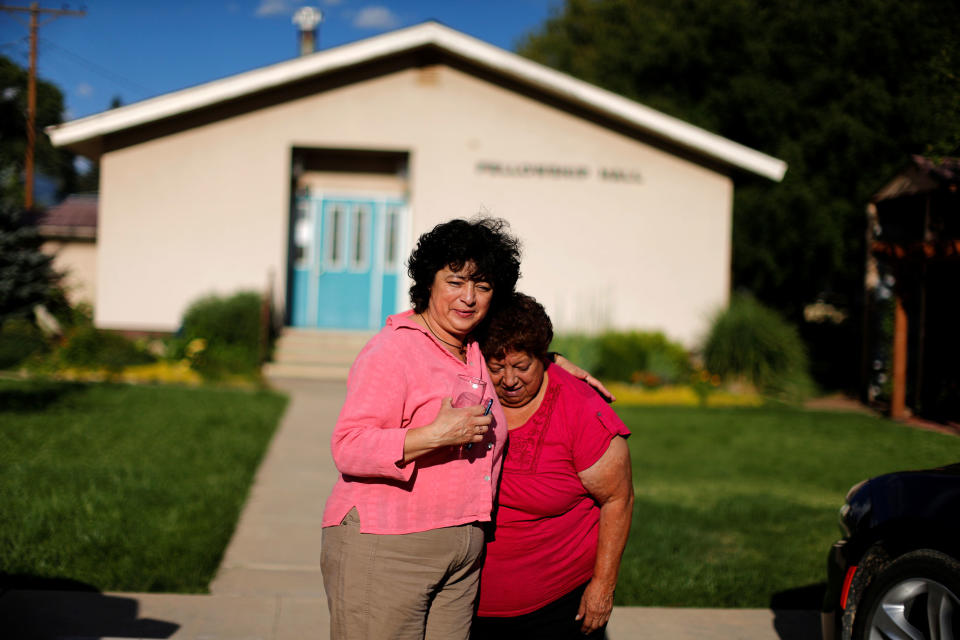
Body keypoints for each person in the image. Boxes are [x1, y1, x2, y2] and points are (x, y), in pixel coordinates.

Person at [320, 218, 607, 640]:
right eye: (455, 282)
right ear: (428, 283)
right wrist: (433, 435)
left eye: (483, 286)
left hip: (461, 554)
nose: (468, 298)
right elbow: (348, 445)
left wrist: (552, 362)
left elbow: (517, 349)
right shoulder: (393, 350)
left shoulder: (473, 348)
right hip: (388, 545)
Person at [472, 293, 634, 640]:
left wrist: (603, 587)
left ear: (543, 358)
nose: (510, 380)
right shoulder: (470, 385)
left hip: (556, 606)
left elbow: (617, 500)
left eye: (522, 366)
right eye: (497, 367)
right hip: (466, 601)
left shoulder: (582, 410)